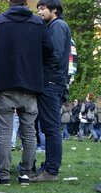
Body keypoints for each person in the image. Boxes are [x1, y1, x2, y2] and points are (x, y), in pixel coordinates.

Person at [0, 0, 54, 185]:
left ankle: (3, 175)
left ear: (9, 2)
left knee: (5, 131)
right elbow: (49, 49)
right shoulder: (37, 23)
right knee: (29, 132)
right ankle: (26, 173)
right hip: (30, 84)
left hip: (4, 84)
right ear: (26, 2)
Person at [31, 0, 72, 182]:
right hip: (52, 82)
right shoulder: (53, 26)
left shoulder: (57, 26)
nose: (39, 11)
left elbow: (53, 55)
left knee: (51, 128)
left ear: (54, 9)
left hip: (51, 82)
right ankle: (48, 167)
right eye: (38, 8)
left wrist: (42, 78)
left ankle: (51, 171)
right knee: (49, 127)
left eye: (42, 8)